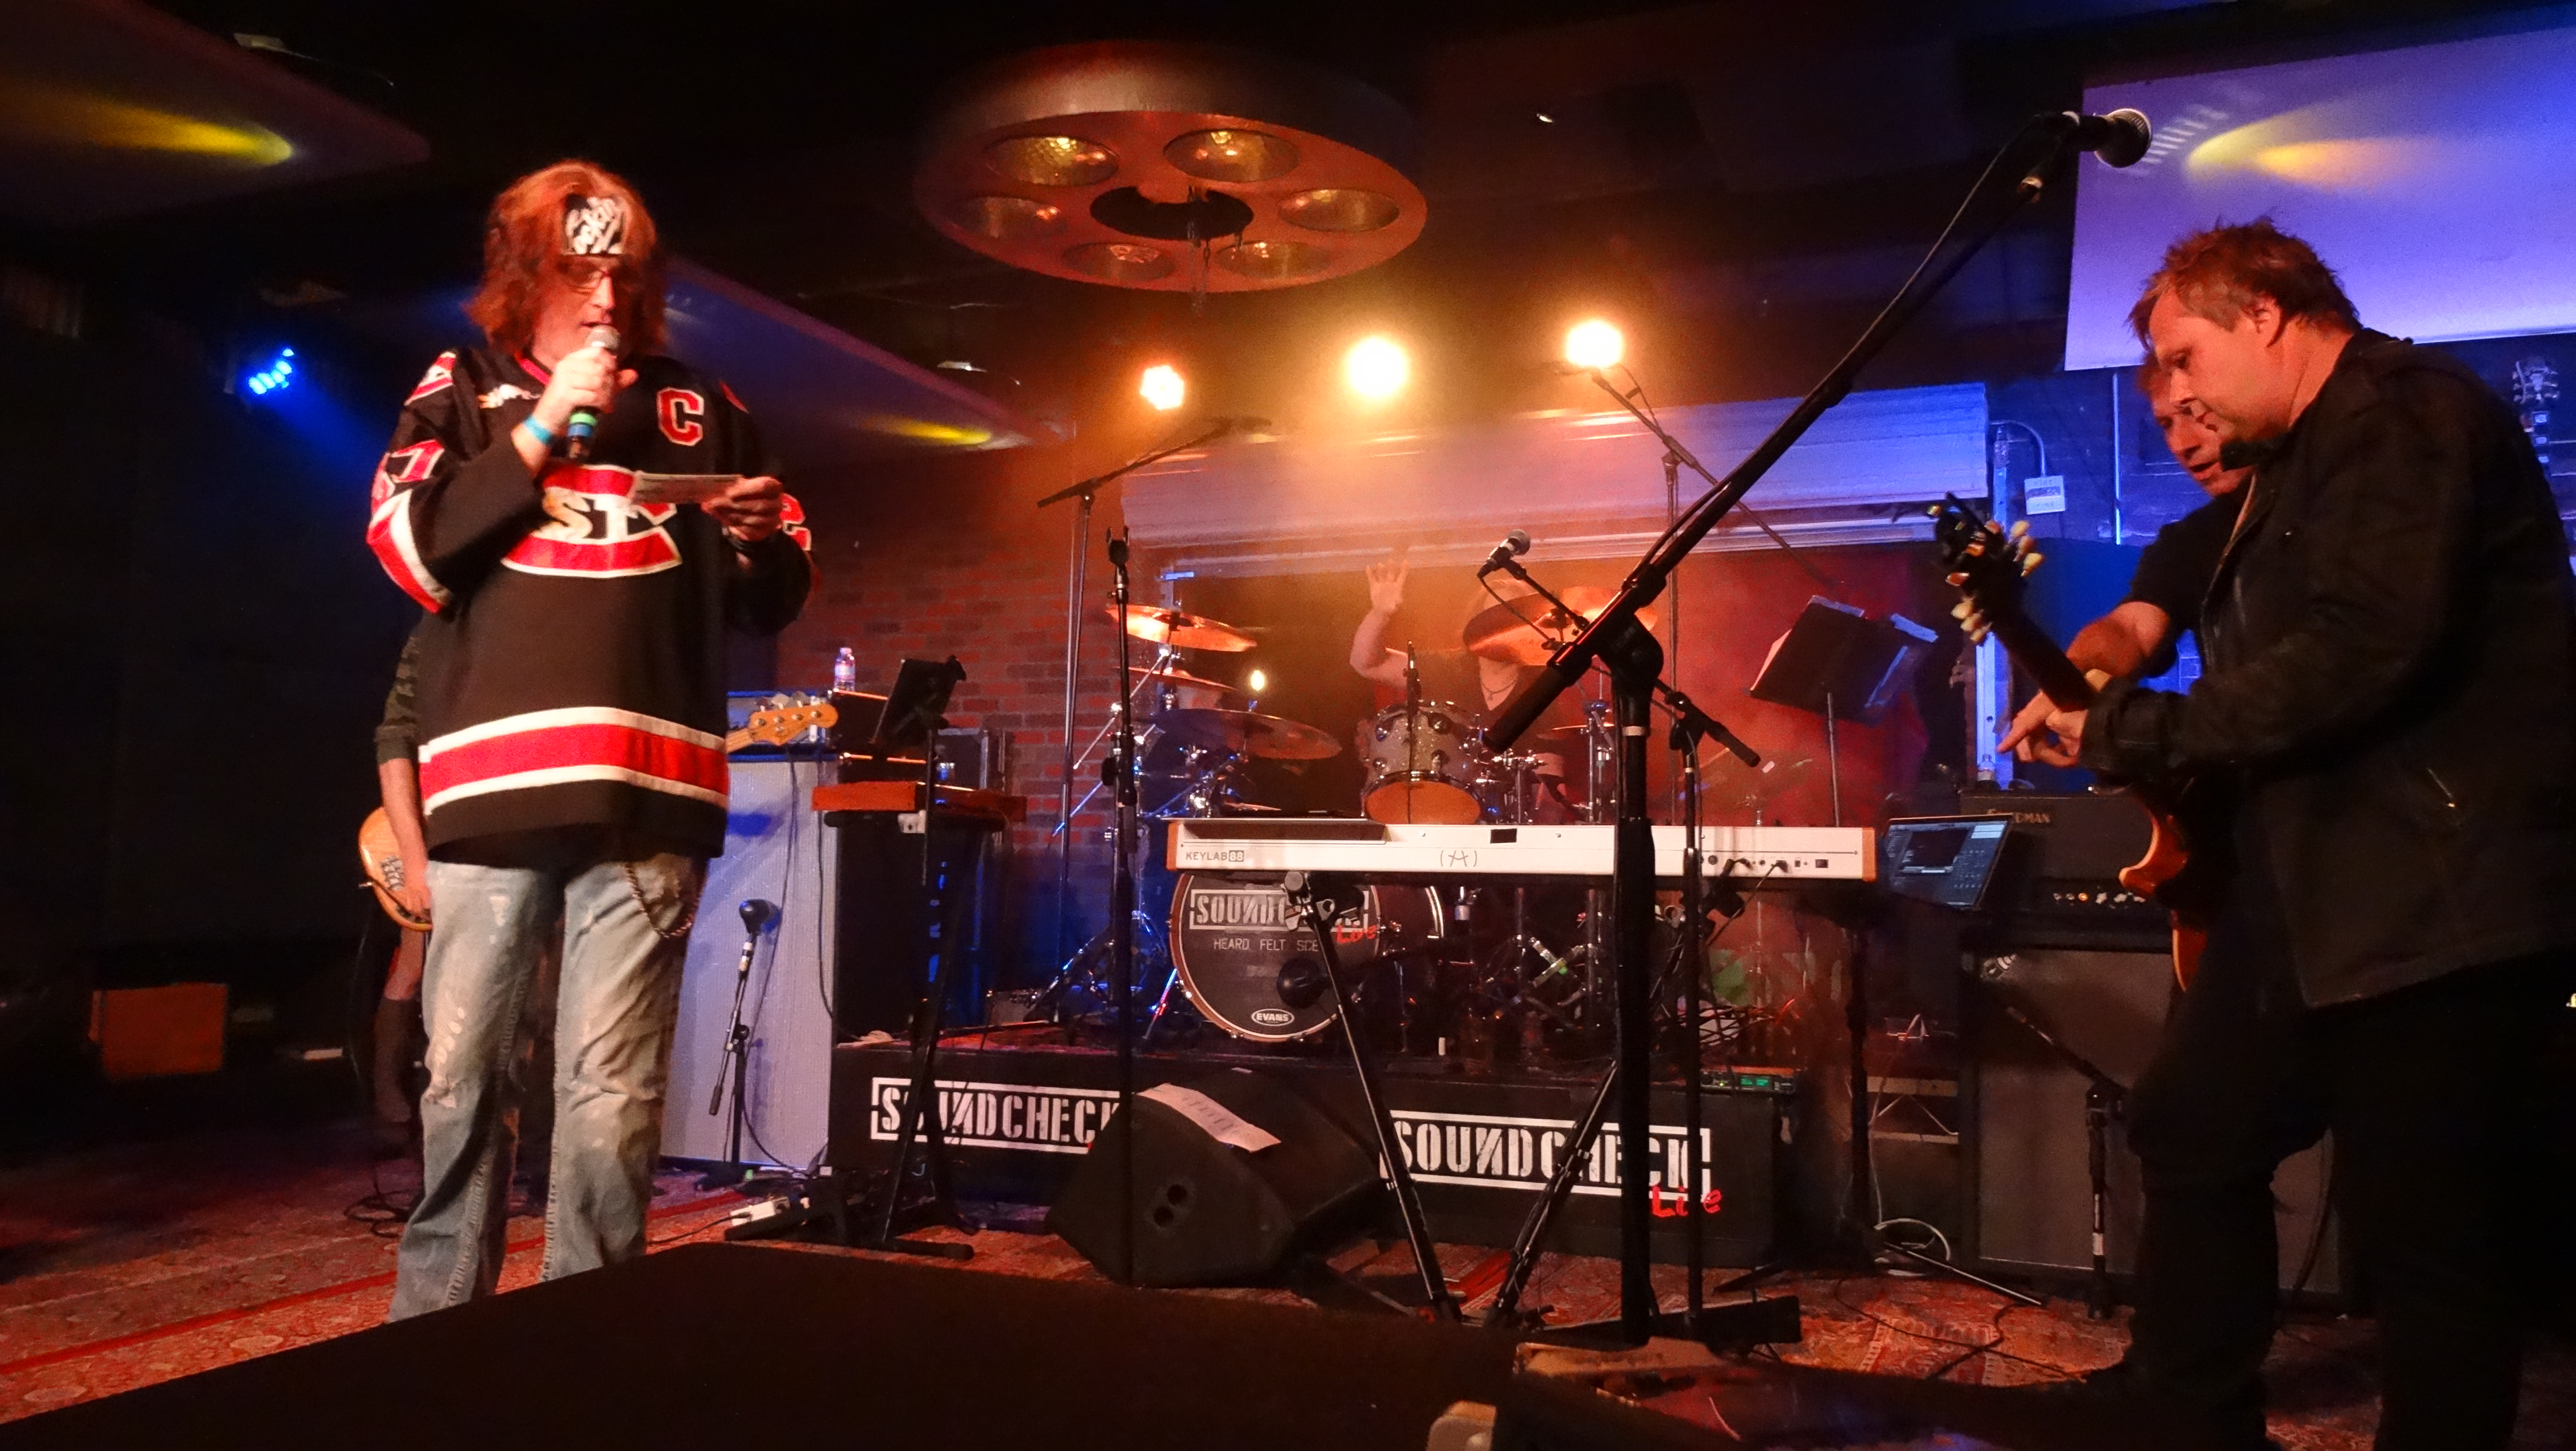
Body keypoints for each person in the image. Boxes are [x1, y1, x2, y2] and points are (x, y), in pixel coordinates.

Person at [2020, 221, 2576, 1450]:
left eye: (2184, 356)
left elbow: (2358, 652)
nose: (2176, 394)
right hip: (2318, 885)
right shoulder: (2290, 465)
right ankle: (2187, 1408)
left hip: (2439, 894)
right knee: (2193, 1123)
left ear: (2265, 313)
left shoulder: (2403, 413)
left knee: (2427, 1235)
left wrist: (2137, 730)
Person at [365, 160, 811, 1318]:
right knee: (463, 1077)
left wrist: (758, 540)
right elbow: (407, 548)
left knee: (612, 1096)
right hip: (489, 796)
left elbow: (774, 591)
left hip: (649, 791)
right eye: (576, 273)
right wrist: (536, 433)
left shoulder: (702, 403)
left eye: (623, 275)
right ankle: (431, 1340)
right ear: (525, 277)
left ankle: (585, 1347)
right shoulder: (462, 387)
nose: (606, 298)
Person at [1992, 363, 2251, 763]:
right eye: (2166, 424)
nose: (2182, 444)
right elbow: (2129, 629)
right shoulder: (2190, 541)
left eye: (2196, 414)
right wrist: (2070, 677)